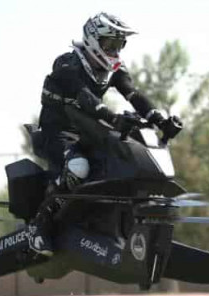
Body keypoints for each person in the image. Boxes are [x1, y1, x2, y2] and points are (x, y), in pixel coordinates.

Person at [28, 12, 182, 257]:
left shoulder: (114, 70)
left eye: (119, 45)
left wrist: (160, 120)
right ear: (92, 40)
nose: (114, 51)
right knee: (78, 166)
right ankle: (39, 226)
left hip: (87, 132)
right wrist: (112, 118)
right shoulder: (67, 64)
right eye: (110, 44)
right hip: (56, 133)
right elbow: (84, 98)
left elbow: (134, 95)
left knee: (118, 161)